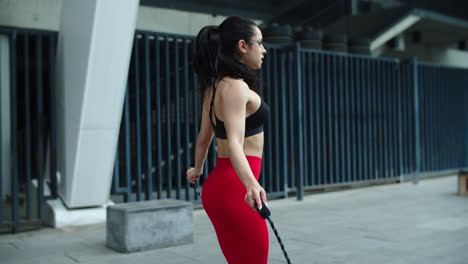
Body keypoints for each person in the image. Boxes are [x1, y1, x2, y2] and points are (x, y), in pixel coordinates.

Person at [186, 16, 269, 263]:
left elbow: (204, 138)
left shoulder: (214, 88)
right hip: (235, 190)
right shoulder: (236, 87)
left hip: (219, 188)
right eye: (259, 43)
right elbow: (234, 142)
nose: (264, 50)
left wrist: (196, 169)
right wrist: (251, 185)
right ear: (242, 46)